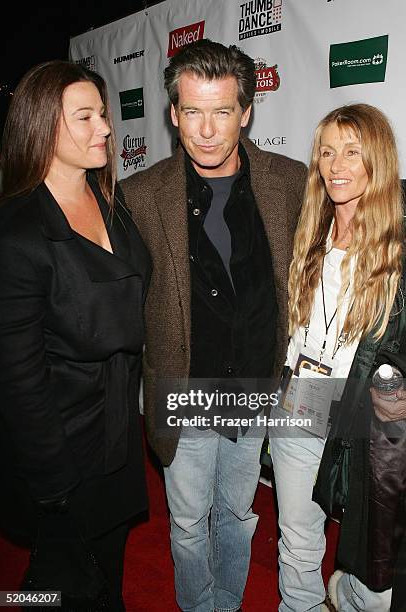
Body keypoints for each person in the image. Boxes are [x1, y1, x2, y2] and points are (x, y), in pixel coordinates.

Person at [120, 39, 307, 612]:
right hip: (185, 387)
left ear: (246, 112)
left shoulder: (289, 181)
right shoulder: (141, 194)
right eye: (192, 112)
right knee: (186, 518)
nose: (205, 130)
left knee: (238, 509)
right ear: (173, 114)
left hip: (255, 385)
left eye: (222, 111)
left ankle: (226, 600)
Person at [0, 60, 151, 611]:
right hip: (60, 451)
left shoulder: (115, 205)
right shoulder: (18, 233)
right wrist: (54, 483)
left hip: (115, 434)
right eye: (84, 117)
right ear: (42, 126)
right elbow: (18, 376)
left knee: (106, 573)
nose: (105, 128)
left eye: (104, 115)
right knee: (58, 587)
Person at [269, 103, 406, 612]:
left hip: (363, 413)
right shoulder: (308, 230)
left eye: (352, 151)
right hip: (301, 398)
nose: (336, 165)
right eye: (327, 152)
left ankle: (344, 596)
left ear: (378, 159)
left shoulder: (397, 247)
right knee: (297, 543)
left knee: (373, 573)